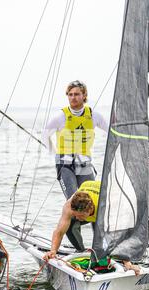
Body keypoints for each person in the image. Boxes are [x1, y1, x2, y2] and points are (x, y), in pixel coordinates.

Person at [42, 80, 108, 250]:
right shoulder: (61, 117)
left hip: (85, 165)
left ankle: (99, 247)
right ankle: (80, 248)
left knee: (95, 204)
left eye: (77, 94)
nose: (73, 97)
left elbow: (112, 132)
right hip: (66, 167)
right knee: (74, 204)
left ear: (84, 95)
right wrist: (54, 154)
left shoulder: (94, 116)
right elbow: (45, 135)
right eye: (70, 94)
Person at [42, 180, 140, 276]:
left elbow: (120, 232)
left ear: (90, 209)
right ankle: (81, 252)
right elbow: (59, 231)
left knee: (105, 238)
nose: (77, 218)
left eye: (79, 215)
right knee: (70, 224)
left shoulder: (106, 207)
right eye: (75, 215)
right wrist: (53, 251)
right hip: (88, 187)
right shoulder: (69, 206)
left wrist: (127, 262)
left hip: (108, 201)